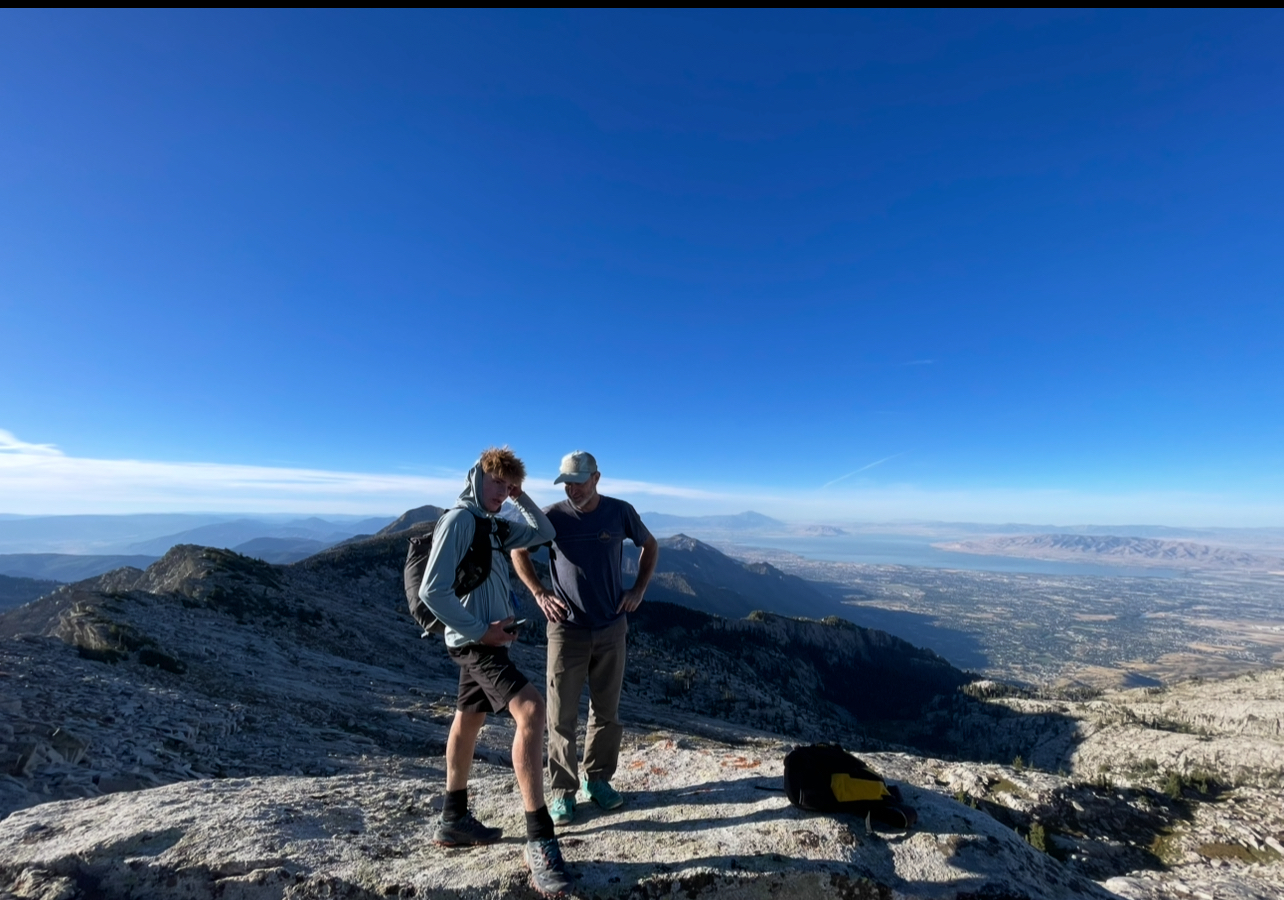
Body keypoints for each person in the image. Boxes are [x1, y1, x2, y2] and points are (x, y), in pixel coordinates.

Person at [419, 447, 571, 896]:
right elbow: (432, 590)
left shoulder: (491, 524)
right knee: (531, 710)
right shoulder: (461, 521)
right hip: (477, 642)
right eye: (497, 482)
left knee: (468, 719)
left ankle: (453, 819)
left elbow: (543, 531)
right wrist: (479, 631)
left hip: (482, 639)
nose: (502, 492)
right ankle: (539, 839)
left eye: (508, 485)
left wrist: (520, 497)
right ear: (477, 475)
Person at [512, 450, 659, 826]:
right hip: (567, 631)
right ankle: (563, 792)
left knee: (606, 712)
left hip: (612, 627)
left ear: (596, 478)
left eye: (579, 482)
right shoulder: (553, 517)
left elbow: (650, 545)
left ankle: (598, 781)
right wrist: (540, 593)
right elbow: (518, 550)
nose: (573, 489)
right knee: (560, 715)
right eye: (568, 483)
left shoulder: (620, 511)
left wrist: (639, 589)